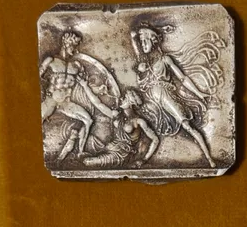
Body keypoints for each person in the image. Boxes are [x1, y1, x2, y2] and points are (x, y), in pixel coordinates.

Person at [130, 25, 218, 167]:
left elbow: (183, 78)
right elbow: (133, 34)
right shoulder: (143, 61)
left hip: (166, 97)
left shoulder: (165, 59)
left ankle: (209, 158)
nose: (142, 44)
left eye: (145, 40)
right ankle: (139, 157)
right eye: (141, 41)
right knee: (137, 124)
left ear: (154, 41)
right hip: (151, 101)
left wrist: (199, 93)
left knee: (188, 126)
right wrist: (153, 30)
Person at [40, 30, 119, 158]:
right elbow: (37, 78)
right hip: (51, 99)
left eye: (76, 46)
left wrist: (100, 90)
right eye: (73, 46)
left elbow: (85, 85)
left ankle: (80, 152)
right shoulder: (51, 60)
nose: (75, 50)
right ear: (66, 44)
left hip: (66, 103)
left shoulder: (76, 66)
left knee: (88, 120)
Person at [81, 88, 161, 169]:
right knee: (90, 143)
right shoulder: (117, 115)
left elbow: (155, 139)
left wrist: (144, 159)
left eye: (125, 98)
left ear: (132, 102)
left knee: (88, 162)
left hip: (121, 155)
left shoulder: (139, 121)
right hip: (109, 148)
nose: (122, 99)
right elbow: (98, 104)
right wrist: (85, 86)